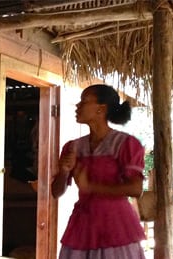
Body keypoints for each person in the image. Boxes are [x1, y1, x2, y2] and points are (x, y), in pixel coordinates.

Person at [51, 84, 146, 258]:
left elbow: (136, 189)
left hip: (116, 226)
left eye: (84, 101)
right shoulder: (73, 147)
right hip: (83, 225)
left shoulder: (125, 144)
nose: (78, 106)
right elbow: (56, 192)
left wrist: (91, 187)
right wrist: (65, 171)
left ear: (101, 109)